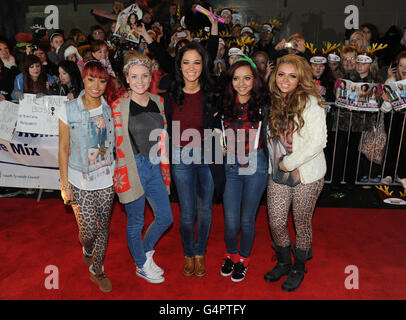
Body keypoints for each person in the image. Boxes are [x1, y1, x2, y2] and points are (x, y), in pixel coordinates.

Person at [264, 54, 327, 292]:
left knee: (301, 223)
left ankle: (298, 267)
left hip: (307, 174)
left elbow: (319, 141)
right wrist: (276, 166)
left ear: (301, 78)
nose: (286, 80)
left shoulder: (311, 102)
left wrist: (289, 164)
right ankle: (283, 261)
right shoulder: (274, 101)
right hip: (278, 173)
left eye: (292, 75)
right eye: (281, 74)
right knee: (276, 222)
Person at [110, 54, 173, 284]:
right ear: (127, 78)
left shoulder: (159, 101)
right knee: (136, 222)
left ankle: (144, 252)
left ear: (151, 77)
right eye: (134, 76)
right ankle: (141, 265)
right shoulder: (118, 106)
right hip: (131, 167)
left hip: (155, 166)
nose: (140, 80)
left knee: (165, 217)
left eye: (144, 75)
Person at [58, 60, 116, 293]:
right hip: (78, 177)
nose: (96, 85)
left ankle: (97, 269)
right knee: (89, 230)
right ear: (83, 79)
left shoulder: (108, 108)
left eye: (102, 81)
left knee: (103, 226)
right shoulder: (68, 109)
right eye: (91, 79)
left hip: (106, 176)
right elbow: (63, 147)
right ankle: (87, 248)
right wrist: (64, 184)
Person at [170, 41, 220, 279]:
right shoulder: (171, 92)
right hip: (180, 155)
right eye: (186, 62)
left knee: (205, 210)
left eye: (197, 62)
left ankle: (200, 252)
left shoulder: (212, 92)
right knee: (188, 211)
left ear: (204, 65)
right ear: (179, 66)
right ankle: (188, 253)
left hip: (207, 154)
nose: (192, 67)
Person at [220, 58, 269, 282]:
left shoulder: (263, 105)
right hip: (231, 165)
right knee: (231, 220)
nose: (241, 83)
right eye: (236, 78)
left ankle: (243, 260)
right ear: (230, 81)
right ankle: (230, 255)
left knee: (247, 219)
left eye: (247, 78)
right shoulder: (224, 104)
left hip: (255, 164)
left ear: (254, 80)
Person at [380, 51, 406, 188]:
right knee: (392, 144)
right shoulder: (390, 81)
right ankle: (387, 174)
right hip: (393, 119)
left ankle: (402, 174)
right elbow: (384, 109)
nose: (404, 68)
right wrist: (387, 100)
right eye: (401, 65)